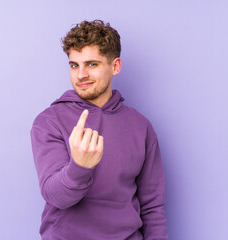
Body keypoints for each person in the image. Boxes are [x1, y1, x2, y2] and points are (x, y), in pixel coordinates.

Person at [30, 19, 168, 240]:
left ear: (115, 66)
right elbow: (56, 196)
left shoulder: (141, 126)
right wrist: (80, 167)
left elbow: (152, 206)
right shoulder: (49, 121)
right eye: (74, 65)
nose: (81, 74)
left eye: (91, 64)